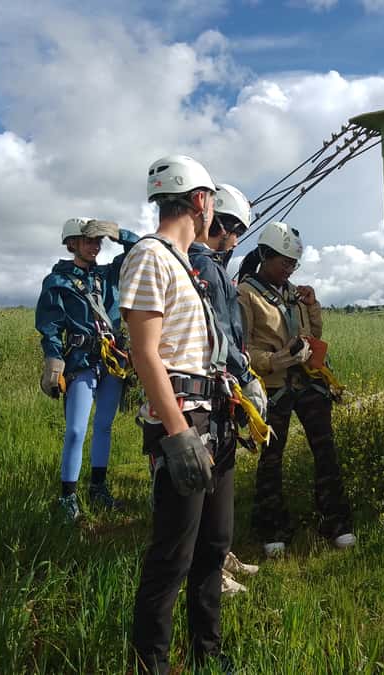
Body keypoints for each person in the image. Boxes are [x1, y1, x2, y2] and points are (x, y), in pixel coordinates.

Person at [120, 155, 234, 673]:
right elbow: (145, 353)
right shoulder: (150, 256)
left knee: (213, 546)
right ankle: (153, 666)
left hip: (217, 416)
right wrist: (178, 433)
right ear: (200, 200)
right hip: (183, 422)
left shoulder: (188, 265)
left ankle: (208, 654)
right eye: (212, 201)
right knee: (173, 557)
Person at [237, 221, 354, 558]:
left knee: (326, 450)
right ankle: (272, 527)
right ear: (264, 255)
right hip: (273, 386)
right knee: (272, 457)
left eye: (292, 264)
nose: (288, 269)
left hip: (307, 382)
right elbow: (243, 349)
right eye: (283, 262)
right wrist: (278, 358)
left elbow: (312, 331)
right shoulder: (246, 294)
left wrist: (312, 305)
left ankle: (336, 521)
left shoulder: (294, 293)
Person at [189, 183, 265, 594]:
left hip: (218, 379)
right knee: (211, 477)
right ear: (225, 226)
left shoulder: (206, 265)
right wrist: (245, 375)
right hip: (214, 381)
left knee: (220, 472)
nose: (236, 242)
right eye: (235, 231)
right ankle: (210, 563)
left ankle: (220, 552)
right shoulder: (205, 266)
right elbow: (219, 332)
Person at [36, 217, 138, 521]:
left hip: (112, 361)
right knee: (76, 430)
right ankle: (67, 497)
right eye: (88, 240)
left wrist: (118, 234)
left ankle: (98, 489)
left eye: (98, 241)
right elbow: (50, 327)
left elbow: (140, 250)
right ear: (72, 244)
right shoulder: (58, 282)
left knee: (104, 426)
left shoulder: (108, 275)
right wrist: (53, 361)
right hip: (81, 361)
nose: (95, 246)